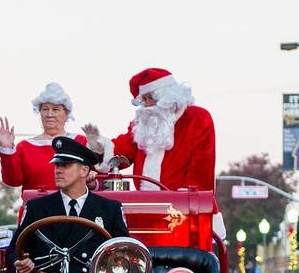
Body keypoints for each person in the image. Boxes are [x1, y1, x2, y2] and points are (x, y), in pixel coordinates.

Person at [7, 136, 129, 273]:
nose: (58, 170)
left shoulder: (109, 209)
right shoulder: (38, 207)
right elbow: (15, 249)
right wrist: (20, 264)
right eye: (57, 165)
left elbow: (123, 250)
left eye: (66, 165)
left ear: (84, 171)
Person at [85, 67, 223, 237]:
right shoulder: (142, 123)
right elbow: (122, 153)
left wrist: (188, 203)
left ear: (167, 97)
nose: (147, 104)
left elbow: (201, 171)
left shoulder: (197, 118)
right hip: (145, 209)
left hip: (181, 212)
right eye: (144, 99)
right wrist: (99, 148)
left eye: (150, 98)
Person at [0, 82, 89, 200]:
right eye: (45, 109)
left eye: (55, 109)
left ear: (67, 113)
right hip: (35, 210)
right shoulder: (25, 147)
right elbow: (13, 181)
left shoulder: (81, 142)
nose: (49, 114)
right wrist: (7, 149)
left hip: (74, 209)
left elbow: (99, 175)